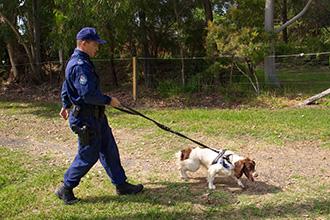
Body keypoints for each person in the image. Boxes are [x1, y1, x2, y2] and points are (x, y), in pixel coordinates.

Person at [55, 27, 143, 205]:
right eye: (95, 44)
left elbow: (66, 85)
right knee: (88, 155)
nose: (98, 48)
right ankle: (66, 187)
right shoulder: (79, 65)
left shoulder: (81, 61)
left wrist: (65, 104)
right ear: (83, 43)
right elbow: (88, 95)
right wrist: (109, 100)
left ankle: (121, 184)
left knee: (109, 149)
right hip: (86, 118)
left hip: (96, 116)